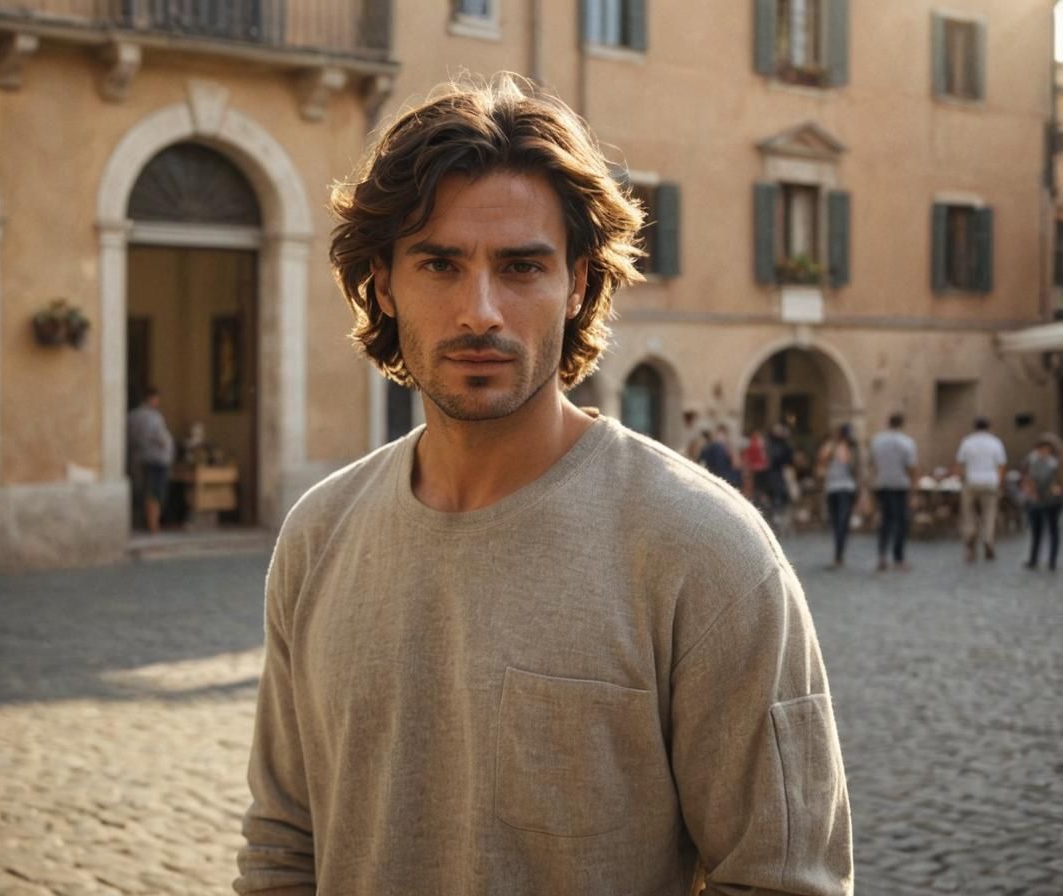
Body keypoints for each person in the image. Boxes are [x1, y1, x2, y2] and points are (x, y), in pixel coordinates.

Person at [235, 74, 852, 896]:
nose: (479, 311)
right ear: (383, 282)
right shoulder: (319, 535)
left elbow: (783, 880)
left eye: (521, 267)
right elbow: (283, 848)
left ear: (580, 284)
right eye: (439, 264)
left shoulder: (705, 553)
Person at [868, 412, 917, 572]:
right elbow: (911, 467)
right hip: (900, 485)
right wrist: (913, 490)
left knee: (885, 521)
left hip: (882, 484)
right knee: (900, 522)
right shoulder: (906, 442)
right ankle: (898, 558)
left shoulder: (877, 441)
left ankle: (882, 555)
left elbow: (872, 464)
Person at [954, 416, 1007, 562]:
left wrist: (962, 478)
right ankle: (988, 539)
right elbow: (1001, 464)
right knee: (989, 514)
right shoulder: (995, 442)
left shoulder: (967, 442)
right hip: (990, 481)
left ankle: (970, 534)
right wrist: (999, 482)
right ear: (989, 426)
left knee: (968, 513)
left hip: (972, 480)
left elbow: (960, 463)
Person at [126, 386, 174, 533]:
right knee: (155, 492)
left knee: (142, 489)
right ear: (151, 399)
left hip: (138, 458)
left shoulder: (132, 416)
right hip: (156, 459)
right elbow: (160, 438)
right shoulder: (153, 417)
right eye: (156, 399)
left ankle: (141, 522)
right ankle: (154, 525)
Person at [815, 423, 860, 569]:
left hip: (843, 488)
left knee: (840, 522)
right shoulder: (836, 447)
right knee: (839, 522)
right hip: (838, 488)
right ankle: (839, 553)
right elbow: (821, 460)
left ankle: (839, 553)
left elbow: (854, 467)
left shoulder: (848, 449)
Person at [1020, 433, 1062, 571]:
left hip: (1052, 500)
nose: (1045, 451)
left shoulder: (1056, 462)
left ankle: (1052, 561)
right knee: (1036, 530)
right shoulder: (1031, 460)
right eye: (1042, 448)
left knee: (1053, 530)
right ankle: (1033, 559)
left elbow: (1059, 479)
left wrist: (1058, 487)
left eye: (1047, 448)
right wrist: (1029, 490)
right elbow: (1026, 477)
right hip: (1036, 499)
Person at [697, 423, 742, 489]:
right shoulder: (711, 447)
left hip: (721, 478)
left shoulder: (727, 448)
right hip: (719, 478)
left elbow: (736, 465)